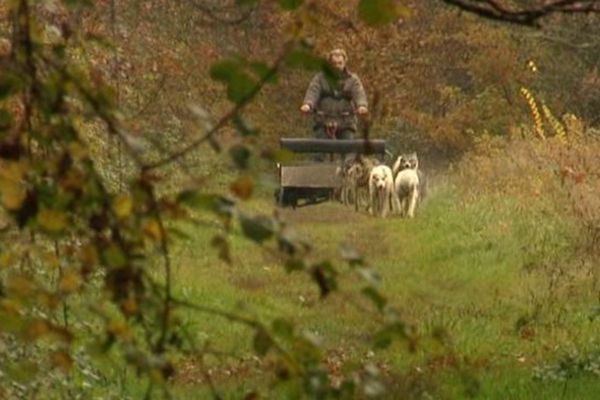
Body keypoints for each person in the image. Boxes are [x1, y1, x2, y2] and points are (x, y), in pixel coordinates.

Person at [300, 48, 368, 140]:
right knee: (321, 149)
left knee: (347, 149)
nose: (337, 66)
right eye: (334, 63)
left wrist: (361, 105)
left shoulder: (352, 80)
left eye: (340, 63)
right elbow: (313, 91)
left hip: (346, 122)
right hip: (323, 121)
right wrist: (308, 104)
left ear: (344, 63)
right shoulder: (320, 79)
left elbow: (359, 93)